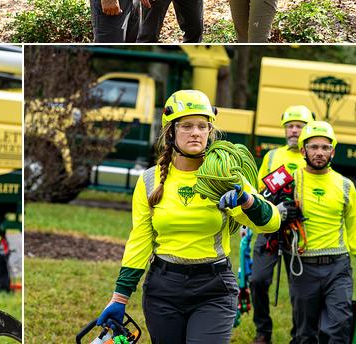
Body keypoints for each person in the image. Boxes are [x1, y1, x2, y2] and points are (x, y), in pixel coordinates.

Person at [95, 90, 280, 344]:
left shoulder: (225, 177)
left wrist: (246, 201)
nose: (196, 132)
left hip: (213, 288)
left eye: (203, 126)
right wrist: (119, 298)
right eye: (187, 126)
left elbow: (272, 222)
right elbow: (139, 241)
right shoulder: (149, 180)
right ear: (170, 132)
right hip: (163, 288)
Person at [290, 121, 356, 344]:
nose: (319, 152)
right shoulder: (290, 182)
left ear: (333, 151)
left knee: (339, 327)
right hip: (303, 268)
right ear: (303, 150)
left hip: (338, 267)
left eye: (325, 147)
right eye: (314, 147)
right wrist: (278, 212)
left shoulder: (346, 185)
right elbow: (265, 215)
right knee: (305, 333)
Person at [249, 105, 314, 344]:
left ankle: (299, 334)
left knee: (300, 289)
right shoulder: (273, 156)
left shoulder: (314, 157)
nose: (294, 131)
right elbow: (258, 193)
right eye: (290, 126)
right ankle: (263, 330)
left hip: (299, 232)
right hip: (270, 228)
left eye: (299, 126)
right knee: (257, 280)